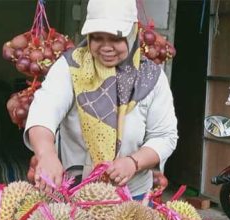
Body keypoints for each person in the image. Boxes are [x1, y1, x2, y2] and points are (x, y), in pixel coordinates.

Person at [24, 0, 178, 198]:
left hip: (131, 195)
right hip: (74, 189)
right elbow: (44, 111)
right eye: (97, 38)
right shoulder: (70, 67)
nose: (106, 47)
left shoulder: (151, 77)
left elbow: (165, 136)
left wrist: (133, 162)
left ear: (132, 33)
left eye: (115, 38)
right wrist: (46, 154)